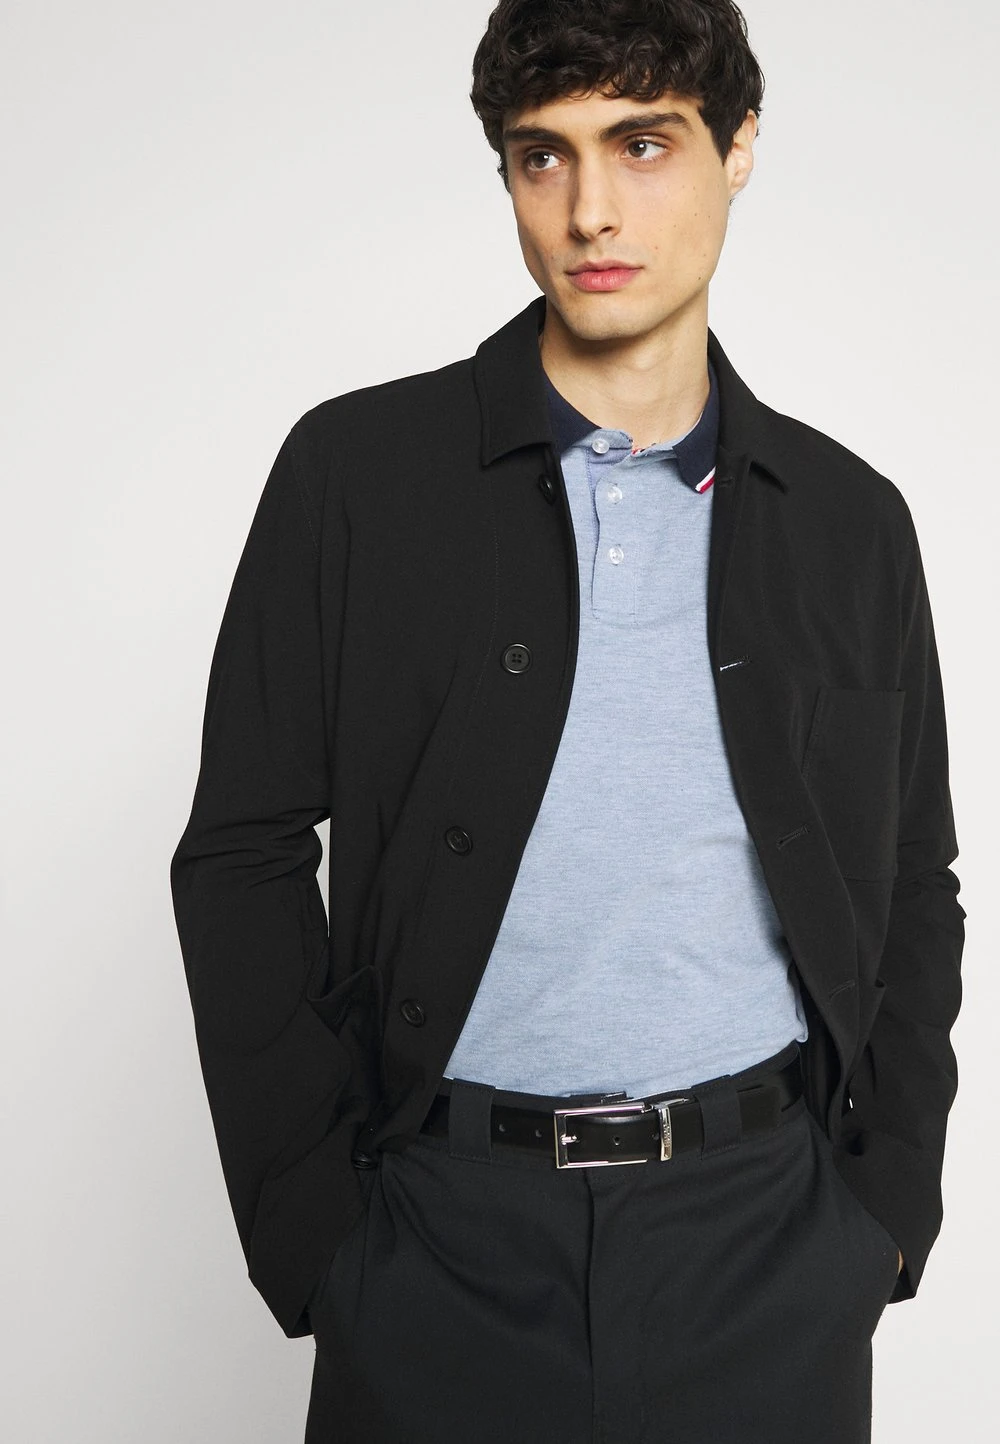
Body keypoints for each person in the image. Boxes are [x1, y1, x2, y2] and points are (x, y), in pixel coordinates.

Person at [169, 2, 966, 1440]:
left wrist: (885, 1209)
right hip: (438, 1242)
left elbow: (915, 878)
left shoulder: (850, 522)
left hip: (766, 1245)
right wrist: (315, 1233)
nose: (590, 210)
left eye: (643, 145)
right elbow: (240, 850)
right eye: (545, 157)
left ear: (739, 150)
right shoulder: (357, 475)